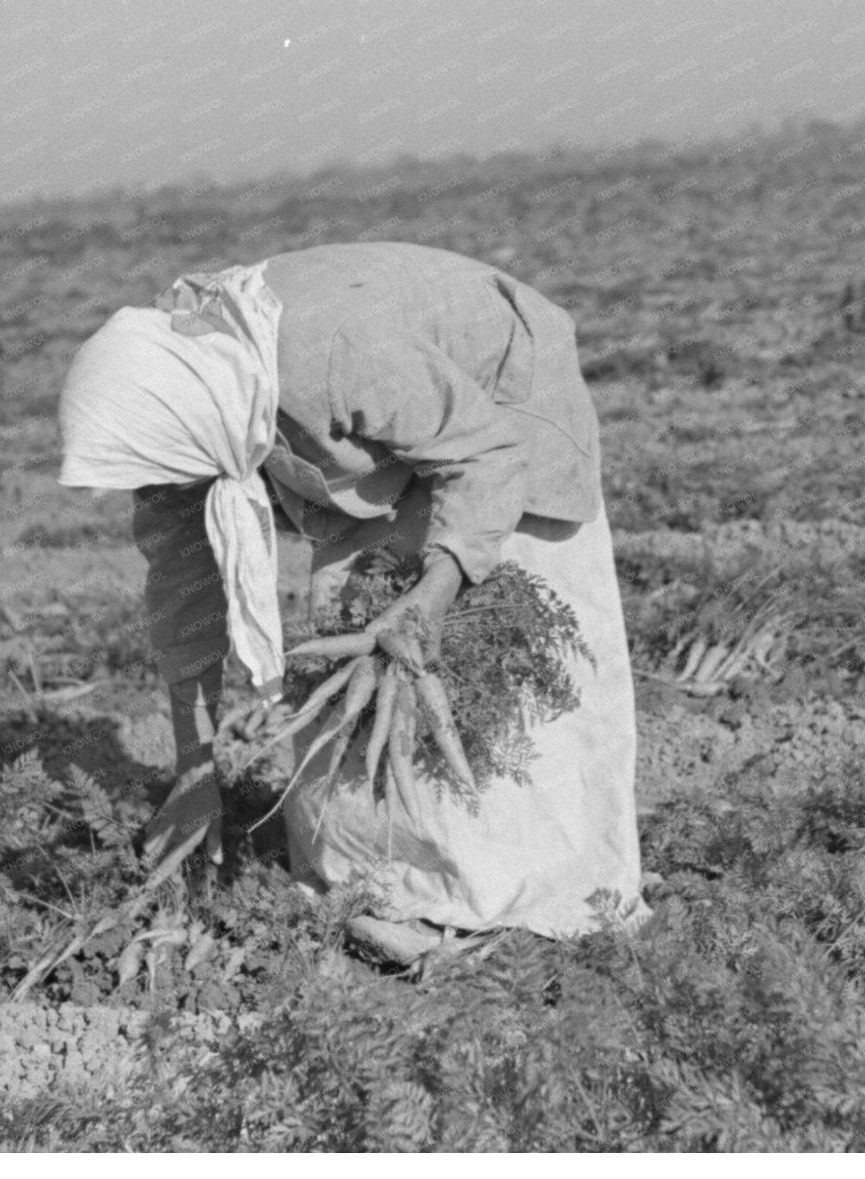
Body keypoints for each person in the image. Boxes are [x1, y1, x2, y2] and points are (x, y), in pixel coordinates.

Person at [56, 242, 648, 964]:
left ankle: (542, 905)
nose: (167, 487)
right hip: (376, 440)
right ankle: (380, 888)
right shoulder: (186, 420)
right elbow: (186, 601)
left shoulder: (330, 356)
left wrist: (433, 592)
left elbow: (485, 457)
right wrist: (194, 771)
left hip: (498, 404)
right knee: (352, 654)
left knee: (520, 665)